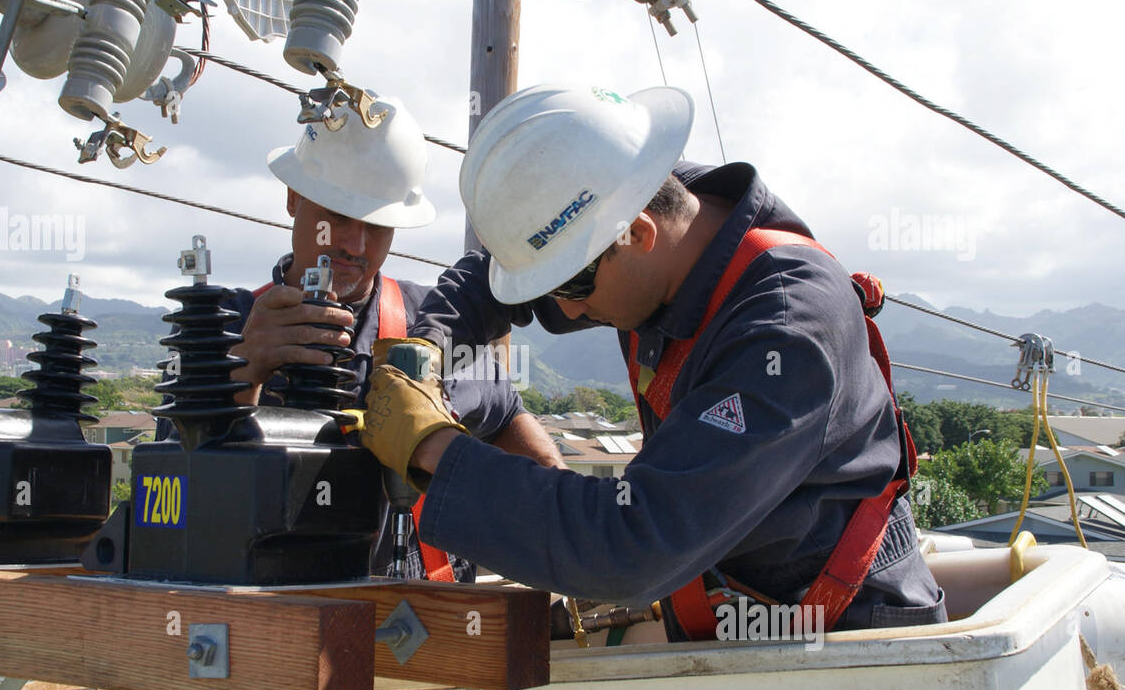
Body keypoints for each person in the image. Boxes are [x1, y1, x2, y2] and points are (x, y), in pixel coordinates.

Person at [361, 83, 946, 638]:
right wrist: (426, 351)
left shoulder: (788, 331)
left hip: (849, 636)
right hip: (727, 605)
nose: (567, 307)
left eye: (569, 285)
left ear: (637, 235)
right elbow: (493, 278)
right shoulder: (652, 209)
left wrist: (434, 449)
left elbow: (633, 544)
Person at [157, 94, 561, 581]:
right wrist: (242, 373)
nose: (355, 244)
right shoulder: (218, 328)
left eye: (377, 225)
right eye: (339, 216)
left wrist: (556, 524)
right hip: (267, 617)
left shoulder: (433, 323)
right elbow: (171, 493)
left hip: (421, 621)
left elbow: (510, 424)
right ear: (292, 198)